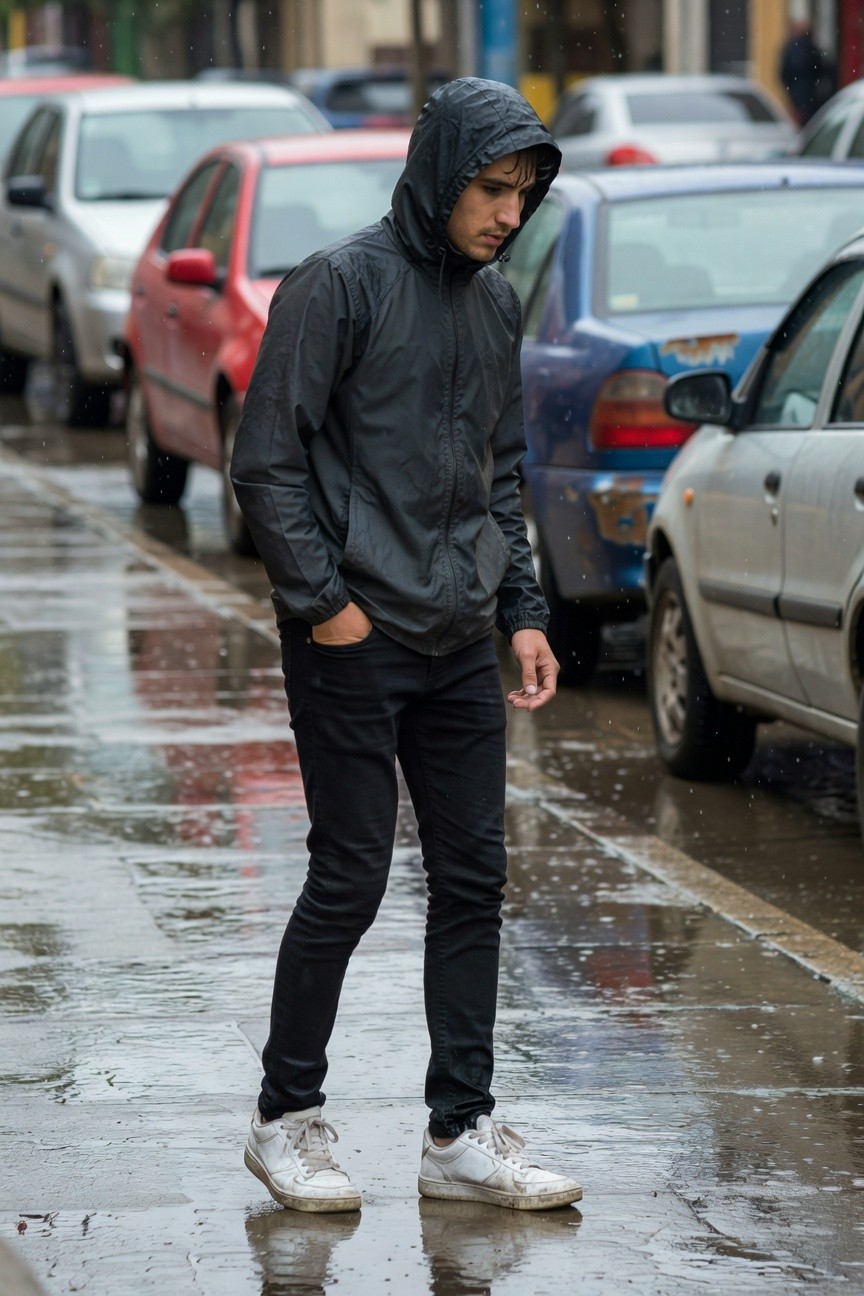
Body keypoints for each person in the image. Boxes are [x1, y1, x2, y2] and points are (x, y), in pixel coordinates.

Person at [231, 76, 583, 1214]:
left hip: (459, 637)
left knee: (475, 878)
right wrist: (325, 604)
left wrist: (522, 611)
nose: (507, 215)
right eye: (491, 189)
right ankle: (286, 1119)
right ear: (440, 174)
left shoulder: (493, 304)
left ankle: (461, 1133)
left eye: (523, 196)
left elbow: (498, 473)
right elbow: (267, 462)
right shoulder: (338, 285)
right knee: (350, 874)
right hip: (352, 634)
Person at [779, 20, 835, 126]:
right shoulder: (810, 48)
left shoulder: (792, 49)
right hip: (811, 97)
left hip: (801, 97)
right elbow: (824, 69)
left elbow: (784, 75)